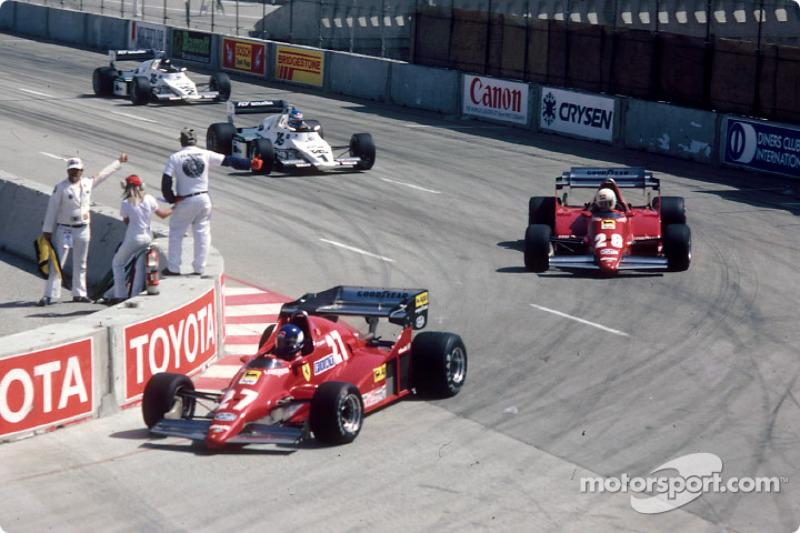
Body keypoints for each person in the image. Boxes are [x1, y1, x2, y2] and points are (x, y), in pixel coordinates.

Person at [161, 127, 262, 276]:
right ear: (196, 141)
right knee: (202, 233)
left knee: (176, 233)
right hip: (204, 199)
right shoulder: (205, 154)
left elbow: (166, 181)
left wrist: (172, 198)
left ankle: (174, 268)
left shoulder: (175, 158)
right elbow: (229, 160)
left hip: (186, 200)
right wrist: (250, 163)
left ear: (181, 142)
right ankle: (199, 268)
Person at [39, 152, 129, 306]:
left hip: (83, 228)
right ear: (67, 171)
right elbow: (52, 210)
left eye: (77, 170)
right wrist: (47, 231)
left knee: (81, 263)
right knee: (58, 262)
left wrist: (119, 162)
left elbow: (104, 173)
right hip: (65, 229)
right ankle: (49, 294)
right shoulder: (60, 188)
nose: (74, 173)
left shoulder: (88, 183)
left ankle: (79, 293)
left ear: (82, 171)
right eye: (72, 170)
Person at [110, 175, 173, 304]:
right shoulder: (149, 199)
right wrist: (175, 207)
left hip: (133, 238)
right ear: (141, 186)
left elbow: (126, 221)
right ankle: (135, 295)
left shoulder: (126, 203)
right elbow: (162, 215)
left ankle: (120, 295)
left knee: (117, 263)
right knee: (140, 266)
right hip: (148, 237)